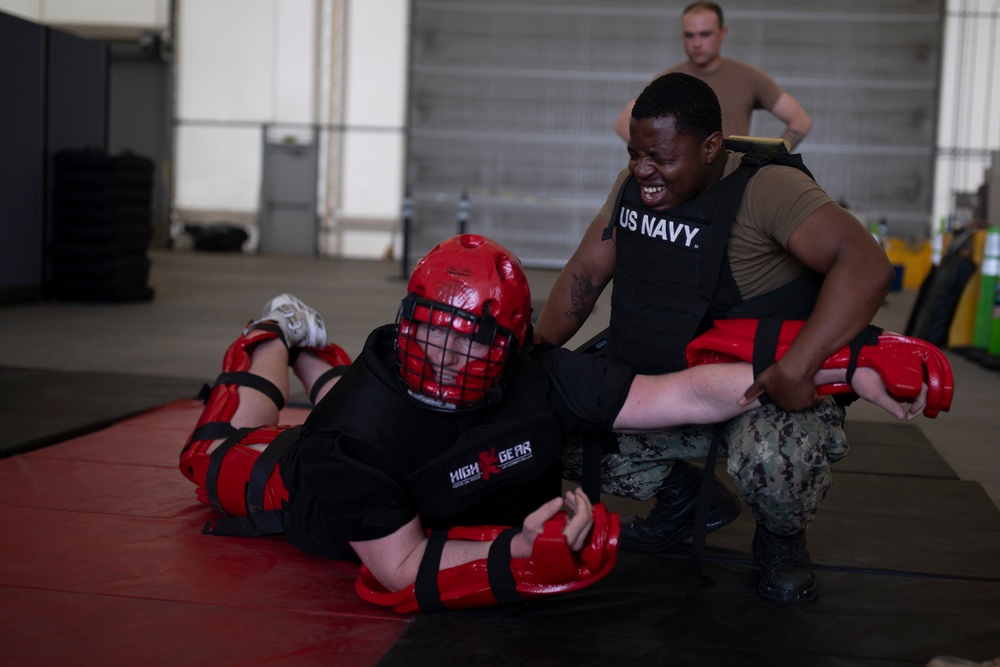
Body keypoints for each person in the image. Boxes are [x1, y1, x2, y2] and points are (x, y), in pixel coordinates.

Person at [178, 234, 934, 613]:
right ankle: (274, 332)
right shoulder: (351, 439)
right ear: (411, 321)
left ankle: (315, 347)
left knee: (377, 400)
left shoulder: (541, 377)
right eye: (433, 331)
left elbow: (680, 394)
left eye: (466, 339)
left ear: (505, 344)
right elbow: (399, 569)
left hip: (401, 448)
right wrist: (518, 553)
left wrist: (832, 363)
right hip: (300, 483)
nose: (443, 354)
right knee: (216, 457)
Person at [535, 72, 900, 604]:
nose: (643, 171)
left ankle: (780, 539)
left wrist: (800, 364)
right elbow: (586, 274)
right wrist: (535, 357)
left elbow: (866, 265)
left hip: (753, 392)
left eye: (659, 157)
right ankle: (686, 501)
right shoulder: (634, 185)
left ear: (710, 147)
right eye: (635, 154)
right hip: (659, 388)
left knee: (778, 456)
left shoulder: (769, 190)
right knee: (542, 421)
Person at [613, 1, 812, 149]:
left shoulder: (748, 77)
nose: (697, 43)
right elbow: (623, 123)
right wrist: (660, 158)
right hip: (686, 192)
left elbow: (800, 121)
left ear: (722, 33)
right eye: (689, 35)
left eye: (705, 34)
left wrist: (769, 161)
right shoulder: (670, 81)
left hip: (733, 185)